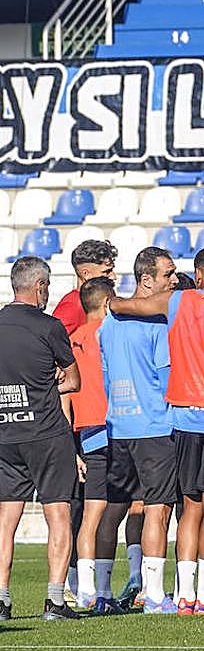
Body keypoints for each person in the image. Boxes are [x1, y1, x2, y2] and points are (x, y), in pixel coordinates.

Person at [109, 246, 204, 615]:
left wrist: (110, 300)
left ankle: (184, 597)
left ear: (198, 273)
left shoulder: (177, 301)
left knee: (189, 508)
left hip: (184, 419)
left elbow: (127, 306)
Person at [0, 256, 82, 621]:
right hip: (47, 432)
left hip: (6, 431)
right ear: (40, 286)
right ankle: (55, 601)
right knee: (58, 512)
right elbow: (74, 380)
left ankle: (1, 600)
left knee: (5, 519)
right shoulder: (49, 326)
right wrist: (48, 384)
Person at [99, 246, 178, 614]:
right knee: (157, 510)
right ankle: (155, 595)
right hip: (154, 426)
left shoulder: (108, 323)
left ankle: (100, 594)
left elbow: (105, 376)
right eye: (168, 274)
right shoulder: (157, 323)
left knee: (112, 510)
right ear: (147, 280)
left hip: (118, 425)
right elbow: (168, 380)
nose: (174, 280)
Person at [67, 277, 124, 615]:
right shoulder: (111, 333)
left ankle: (87, 591)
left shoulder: (70, 340)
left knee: (91, 514)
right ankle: (103, 589)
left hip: (85, 431)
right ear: (106, 303)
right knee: (125, 509)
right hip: (116, 427)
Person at [53, 240, 118, 334]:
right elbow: (52, 340)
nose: (113, 276)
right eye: (106, 272)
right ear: (85, 274)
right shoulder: (72, 306)